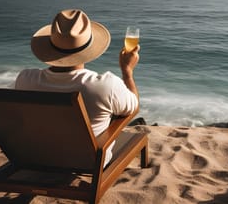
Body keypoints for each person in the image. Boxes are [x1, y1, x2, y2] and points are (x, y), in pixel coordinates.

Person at [14, 9, 139, 165]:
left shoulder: (25, 79)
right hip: (88, 162)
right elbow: (133, 108)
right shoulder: (105, 85)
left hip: (37, 157)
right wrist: (127, 71)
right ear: (88, 48)